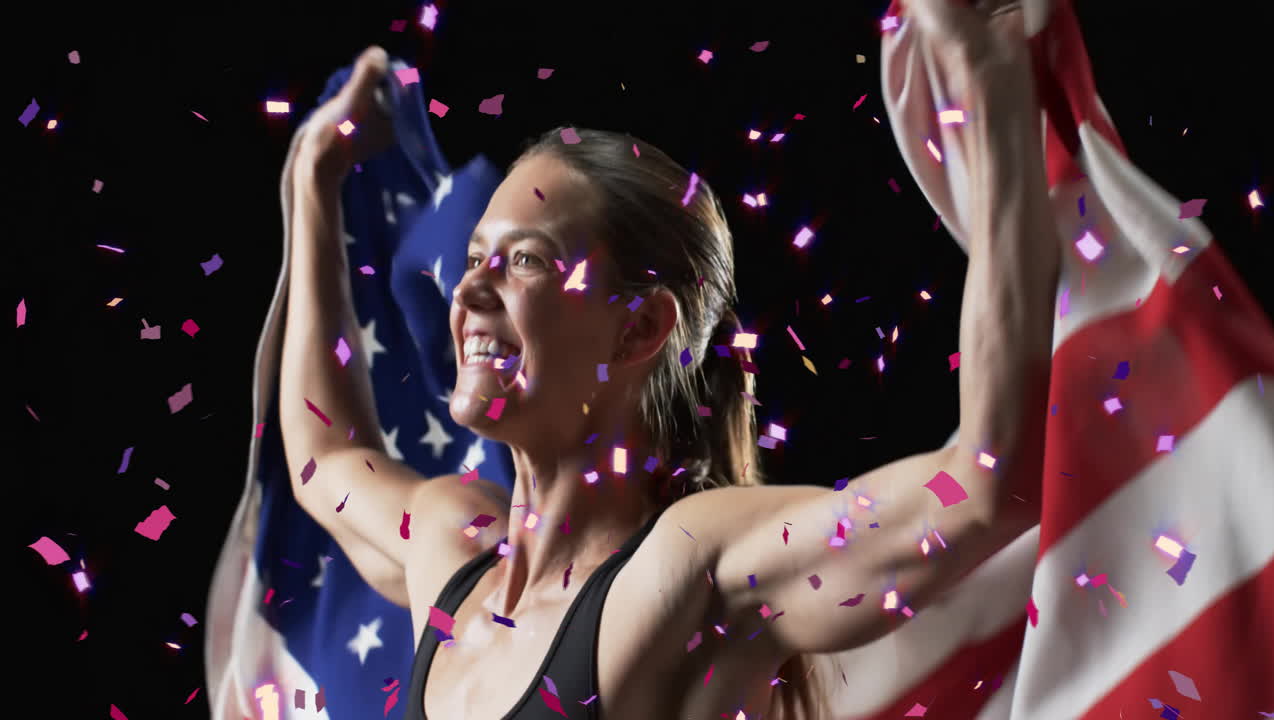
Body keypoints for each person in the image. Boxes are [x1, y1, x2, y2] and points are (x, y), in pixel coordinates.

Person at [275, 0, 1061, 717]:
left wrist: (992, 89)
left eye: (527, 261)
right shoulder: (453, 547)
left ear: (640, 327)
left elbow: (988, 485)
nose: (471, 289)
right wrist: (313, 181)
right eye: (477, 257)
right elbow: (322, 460)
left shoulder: (687, 567)